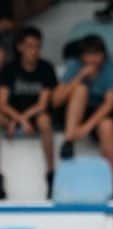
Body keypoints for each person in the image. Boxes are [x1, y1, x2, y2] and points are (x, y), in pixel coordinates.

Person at [0, 26, 57, 199]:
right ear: (20, 47)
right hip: (11, 114)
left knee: (45, 121)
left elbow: (42, 104)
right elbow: (1, 103)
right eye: (30, 46)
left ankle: (51, 173)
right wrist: (16, 119)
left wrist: (21, 120)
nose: (34, 50)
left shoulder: (46, 68)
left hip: (34, 115)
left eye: (37, 46)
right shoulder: (10, 69)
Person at [52, 35, 113, 173]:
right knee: (81, 89)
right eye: (89, 54)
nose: (93, 59)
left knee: (108, 126)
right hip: (73, 112)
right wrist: (80, 76)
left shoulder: (110, 67)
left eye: (97, 54)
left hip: (97, 112)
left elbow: (109, 103)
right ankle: (69, 140)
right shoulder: (75, 66)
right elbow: (56, 100)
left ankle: (111, 181)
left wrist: (85, 128)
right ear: (82, 56)